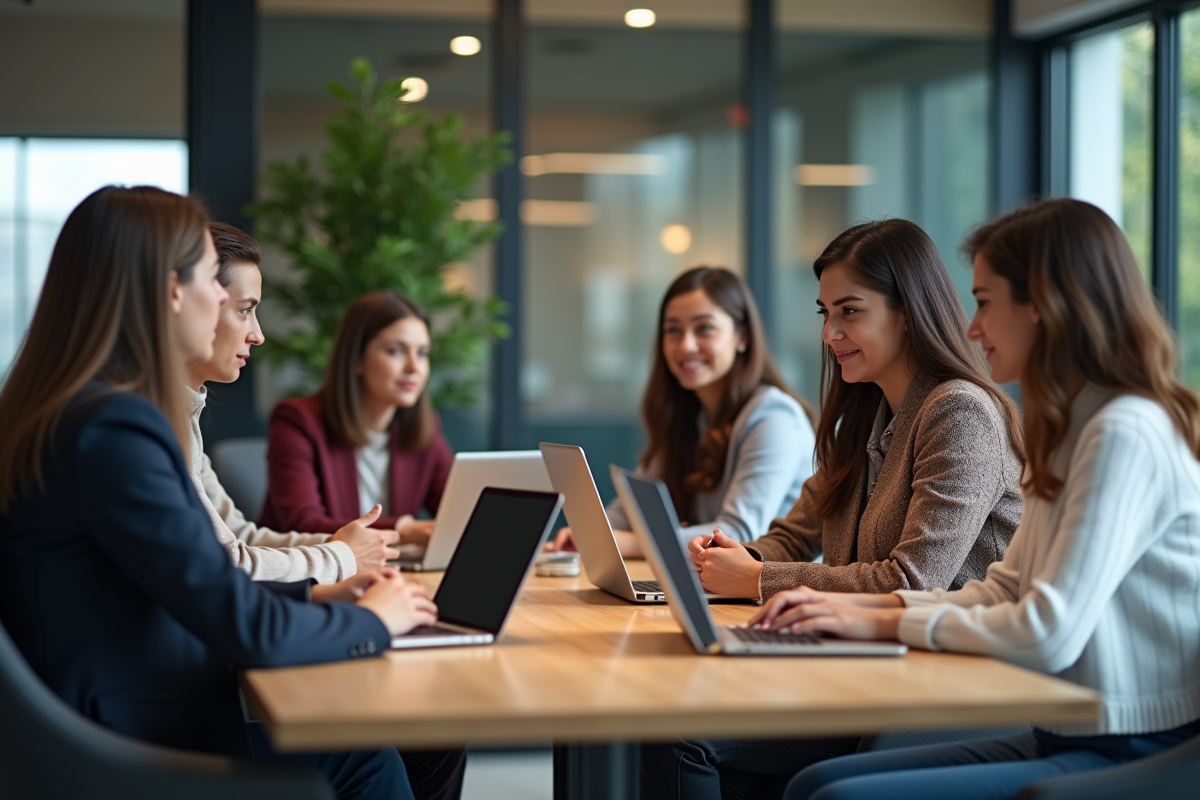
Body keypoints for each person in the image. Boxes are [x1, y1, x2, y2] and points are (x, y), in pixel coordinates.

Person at [0, 186, 461, 800]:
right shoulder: (112, 430)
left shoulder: (78, 410)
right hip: (125, 741)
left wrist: (317, 589)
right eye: (215, 288)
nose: (224, 303)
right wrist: (371, 622)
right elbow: (240, 621)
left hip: (101, 716)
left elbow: (202, 577)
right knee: (366, 758)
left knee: (379, 746)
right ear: (169, 291)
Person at [767, 198, 1200, 800]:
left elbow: (1047, 631)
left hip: (1135, 742)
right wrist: (861, 614)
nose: (972, 327)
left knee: (836, 795)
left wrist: (884, 618)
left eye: (987, 303)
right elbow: (1003, 588)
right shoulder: (1071, 428)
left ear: (1046, 308)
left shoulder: (1124, 431)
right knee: (819, 782)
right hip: (1065, 732)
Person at [640, 220, 1025, 800]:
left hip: (936, 687)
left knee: (680, 732)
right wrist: (736, 556)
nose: (831, 333)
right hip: (859, 668)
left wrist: (758, 579)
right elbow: (793, 537)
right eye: (825, 313)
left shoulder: (959, 414)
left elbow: (911, 582)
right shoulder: (866, 415)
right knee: (674, 701)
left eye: (850, 311)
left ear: (908, 311)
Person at [553, 266, 816, 558]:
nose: (686, 345)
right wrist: (589, 533)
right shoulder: (690, 417)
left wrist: (626, 543)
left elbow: (739, 534)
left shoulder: (774, 417)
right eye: (673, 330)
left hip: (770, 595)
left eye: (704, 328)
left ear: (743, 337)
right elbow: (630, 510)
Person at [185, 222, 398, 581]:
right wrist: (343, 555)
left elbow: (241, 536)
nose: (258, 334)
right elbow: (227, 565)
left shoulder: (184, 416)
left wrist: (348, 547)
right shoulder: (151, 422)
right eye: (244, 310)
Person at [260, 292, 453, 544]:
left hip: (391, 574)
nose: (414, 367)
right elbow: (303, 525)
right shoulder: (297, 421)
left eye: (422, 353)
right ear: (357, 359)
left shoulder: (425, 429)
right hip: (309, 578)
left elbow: (456, 511)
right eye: (396, 351)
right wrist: (401, 529)